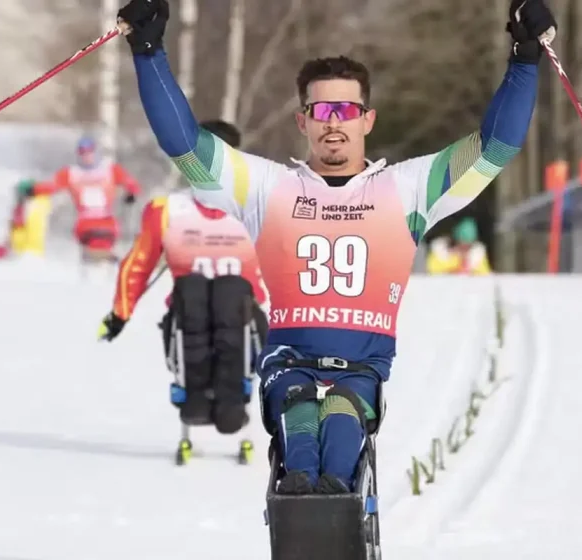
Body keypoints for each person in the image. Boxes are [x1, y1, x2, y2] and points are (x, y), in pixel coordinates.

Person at [117, 0, 555, 494]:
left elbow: (496, 147)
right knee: (300, 455)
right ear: (303, 121)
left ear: (366, 120)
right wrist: (149, 52)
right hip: (289, 366)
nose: (333, 122)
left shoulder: (408, 188)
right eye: (320, 110)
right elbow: (186, 145)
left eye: (345, 110)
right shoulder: (266, 187)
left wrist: (523, 58)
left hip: (361, 370)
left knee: (341, 446)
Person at [97, 119, 270, 434]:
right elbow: (138, 263)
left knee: (230, 291)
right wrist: (120, 314)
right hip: (189, 314)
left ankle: (231, 395)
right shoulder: (167, 210)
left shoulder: (260, 206)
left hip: (244, 316)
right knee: (193, 289)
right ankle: (197, 393)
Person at [24, 135, 142, 262]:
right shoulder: (72, 173)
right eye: (83, 153)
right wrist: (33, 190)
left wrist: (131, 194)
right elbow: (53, 186)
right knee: (93, 245)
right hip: (85, 222)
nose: (87, 157)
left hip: (107, 220)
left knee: (105, 240)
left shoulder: (109, 170)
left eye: (90, 152)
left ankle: (105, 262)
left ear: (96, 152)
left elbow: (130, 182)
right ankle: (95, 261)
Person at [426, 217, 492, 275]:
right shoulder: (439, 253)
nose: (464, 248)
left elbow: (485, 277)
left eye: (468, 246)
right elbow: (431, 273)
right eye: (462, 245)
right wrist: (453, 271)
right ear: (455, 241)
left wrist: (468, 268)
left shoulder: (477, 256)